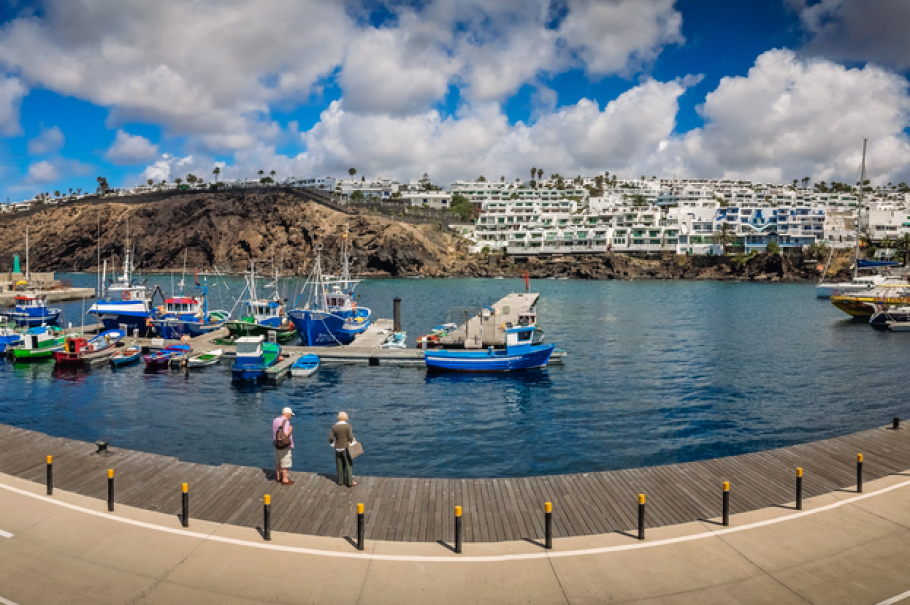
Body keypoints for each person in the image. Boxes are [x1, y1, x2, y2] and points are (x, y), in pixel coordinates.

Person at [328, 411, 357, 487]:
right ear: (346, 418)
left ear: (338, 418)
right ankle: (350, 482)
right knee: (348, 464)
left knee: (339, 464)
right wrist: (353, 443)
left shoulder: (334, 426)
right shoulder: (348, 426)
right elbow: (350, 437)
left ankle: (340, 480)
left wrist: (332, 444)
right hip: (346, 447)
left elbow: (330, 437)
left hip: (337, 448)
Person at [272, 407, 295, 485]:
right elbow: (285, 435)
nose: (291, 416)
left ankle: (278, 477)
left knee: (278, 461)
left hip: (277, 443)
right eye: (290, 415)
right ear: (287, 414)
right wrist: (290, 430)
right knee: (285, 461)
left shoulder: (275, 420)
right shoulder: (286, 422)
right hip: (284, 444)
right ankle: (285, 479)